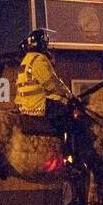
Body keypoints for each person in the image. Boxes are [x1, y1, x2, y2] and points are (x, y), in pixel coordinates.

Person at [16, 29, 83, 165]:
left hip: (26, 105)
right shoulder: (39, 59)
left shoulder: (26, 60)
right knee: (73, 118)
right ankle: (70, 159)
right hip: (38, 105)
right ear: (42, 44)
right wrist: (70, 97)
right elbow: (53, 85)